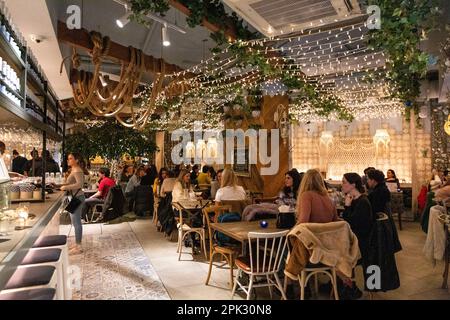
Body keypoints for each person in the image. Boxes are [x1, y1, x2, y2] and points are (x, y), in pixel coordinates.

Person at [341, 173, 374, 269]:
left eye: (344, 182)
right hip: (356, 237)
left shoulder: (362, 202)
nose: (342, 185)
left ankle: (344, 279)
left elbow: (350, 223)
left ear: (353, 185)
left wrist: (347, 206)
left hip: (361, 242)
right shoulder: (354, 199)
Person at [59, 153, 87, 254]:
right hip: (74, 197)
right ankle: (77, 243)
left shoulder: (78, 170)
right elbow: (71, 183)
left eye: (71, 159)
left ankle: (78, 246)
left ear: (77, 160)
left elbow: (79, 184)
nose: (68, 160)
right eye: (68, 159)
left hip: (77, 198)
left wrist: (65, 187)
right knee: (74, 222)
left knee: (76, 222)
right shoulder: (74, 169)